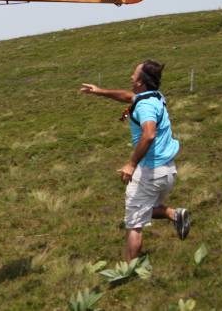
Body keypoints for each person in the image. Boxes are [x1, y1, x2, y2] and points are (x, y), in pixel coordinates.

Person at [80, 60, 190, 262]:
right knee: (145, 208)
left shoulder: (145, 107)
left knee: (134, 223)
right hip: (168, 171)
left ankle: (129, 270)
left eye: (134, 74)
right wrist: (99, 91)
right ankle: (175, 215)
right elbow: (128, 97)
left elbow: (149, 134)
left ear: (140, 81)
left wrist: (131, 164)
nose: (131, 76)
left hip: (150, 172)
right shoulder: (155, 96)